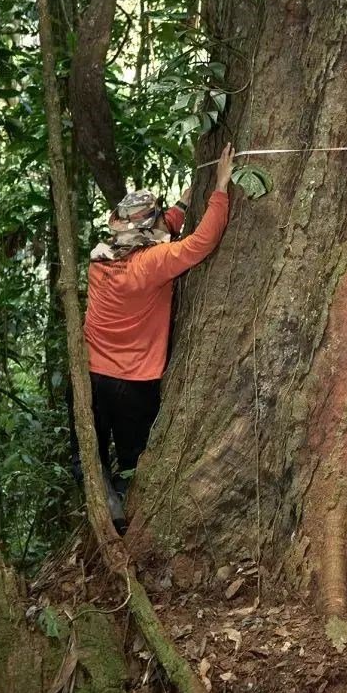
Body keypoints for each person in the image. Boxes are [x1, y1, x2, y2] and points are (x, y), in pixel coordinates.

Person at [81, 144, 235, 530]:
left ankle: (106, 512)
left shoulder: (100, 260)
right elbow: (202, 242)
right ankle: (127, 526)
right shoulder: (152, 264)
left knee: (91, 455)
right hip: (132, 382)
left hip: (89, 375)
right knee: (135, 456)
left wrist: (183, 204)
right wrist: (219, 188)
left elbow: (160, 227)